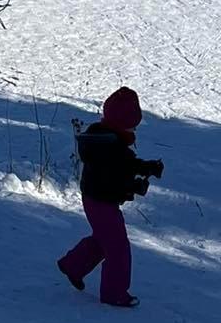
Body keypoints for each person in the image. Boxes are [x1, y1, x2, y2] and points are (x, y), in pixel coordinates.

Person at [57, 89, 164, 308]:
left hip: (96, 199)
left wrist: (147, 167)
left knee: (104, 239)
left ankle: (73, 265)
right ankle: (114, 293)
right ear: (120, 123)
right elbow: (114, 177)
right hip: (101, 201)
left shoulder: (105, 139)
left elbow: (125, 165)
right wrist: (135, 186)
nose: (135, 128)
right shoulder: (111, 148)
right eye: (132, 124)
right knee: (117, 248)